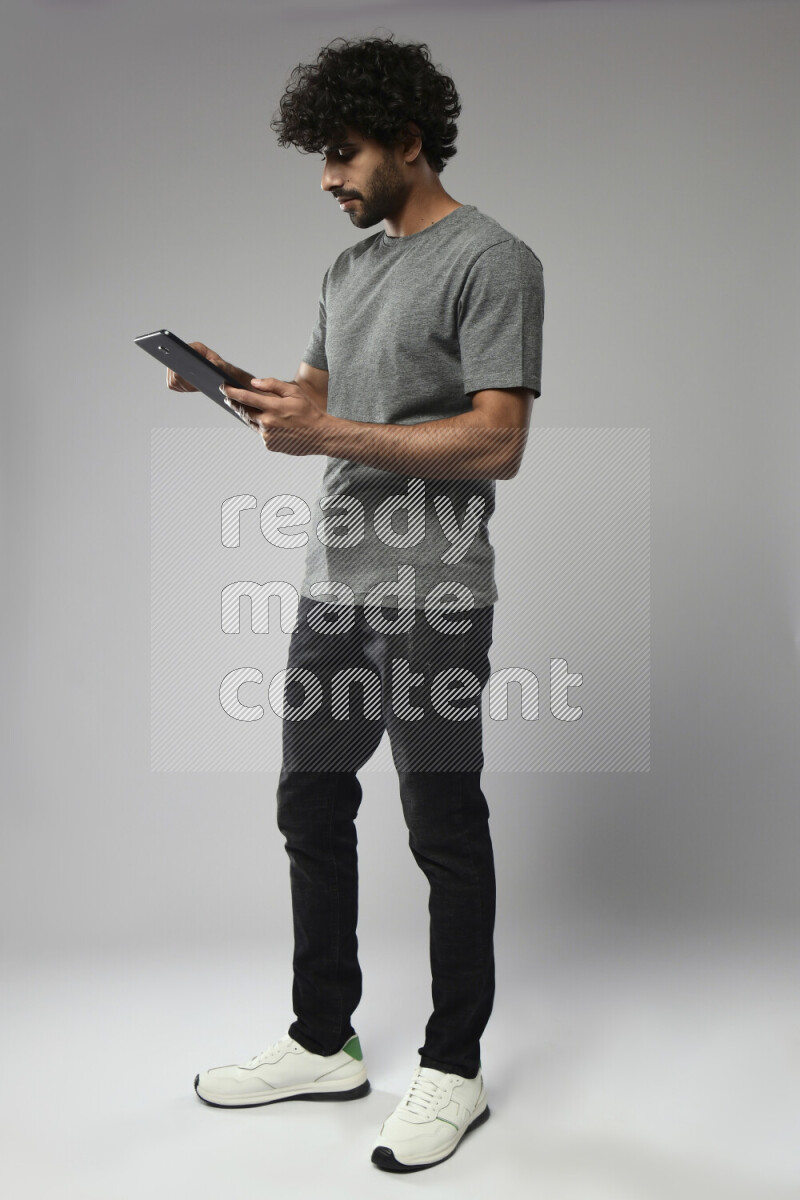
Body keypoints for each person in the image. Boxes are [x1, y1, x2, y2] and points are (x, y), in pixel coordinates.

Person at [167, 33, 543, 1173]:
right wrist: (241, 389)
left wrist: (323, 430)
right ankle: (324, 1043)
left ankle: (452, 1070)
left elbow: (498, 438)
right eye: (320, 158)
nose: (327, 179)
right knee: (311, 811)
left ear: (408, 141)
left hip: (431, 593)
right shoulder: (348, 270)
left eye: (342, 154)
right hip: (334, 585)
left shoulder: (494, 259)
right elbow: (324, 399)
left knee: (440, 827)